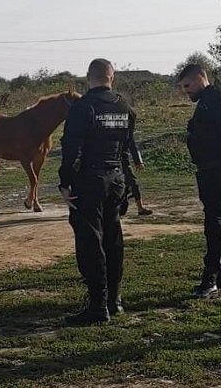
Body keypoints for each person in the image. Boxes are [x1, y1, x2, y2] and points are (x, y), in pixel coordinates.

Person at [59, 59, 137, 324]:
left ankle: (97, 305)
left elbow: (72, 149)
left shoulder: (82, 107)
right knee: (113, 238)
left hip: (90, 180)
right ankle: (114, 300)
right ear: (111, 77)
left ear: (88, 77)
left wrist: (65, 182)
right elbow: (126, 149)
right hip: (116, 178)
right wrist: (127, 183)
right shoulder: (125, 107)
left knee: (90, 241)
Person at [178, 61, 221, 298]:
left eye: (187, 86)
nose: (186, 91)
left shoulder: (217, 99)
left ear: (199, 78)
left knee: (215, 224)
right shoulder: (207, 100)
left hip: (217, 170)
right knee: (219, 221)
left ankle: (211, 279)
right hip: (209, 169)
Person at [123, 142, 152, 217]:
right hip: (107, 162)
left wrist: (138, 161)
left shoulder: (125, 134)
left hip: (123, 161)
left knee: (133, 183)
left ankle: (140, 208)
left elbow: (132, 145)